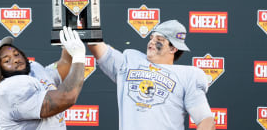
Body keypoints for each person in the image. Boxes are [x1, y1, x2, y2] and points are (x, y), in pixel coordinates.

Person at [87, 20, 216, 130]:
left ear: (173, 48)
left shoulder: (188, 76)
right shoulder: (130, 61)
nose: (152, 42)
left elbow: (206, 120)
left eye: (159, 40)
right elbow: (98, 46)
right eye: (151, 38)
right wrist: (83, 21)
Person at [0, 26, 86, 130]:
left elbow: (64, 65)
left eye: (16, 54)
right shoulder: (7, 89)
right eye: (7, 61)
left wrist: (68, 40)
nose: (15, 60)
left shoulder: (32, 67)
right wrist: (79, 56)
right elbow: (66, 98)